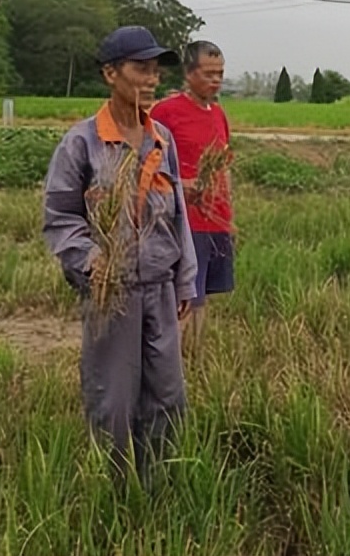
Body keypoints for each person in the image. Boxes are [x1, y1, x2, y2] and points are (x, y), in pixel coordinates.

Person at [42, 25, 197, 486]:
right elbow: (61, 218)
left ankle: (159, 488)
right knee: (114, 399)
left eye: (154, 71)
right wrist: (92, 262)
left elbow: (178, 217)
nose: (150, 80)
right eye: (140, 69)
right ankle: (113, 492)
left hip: (161, 291)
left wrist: (185, 279)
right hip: (112, 295)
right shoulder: (82, 144)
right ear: (111, 74)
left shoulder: (161, 139)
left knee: (167, 396)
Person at [150, 40, 234, 355]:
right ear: (189, 73)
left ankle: (197, 360)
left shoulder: (219, 115)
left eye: (220, 74)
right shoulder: (165, 113)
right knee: (187, 295)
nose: (216, 81)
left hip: (217, 221)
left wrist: (229, 216)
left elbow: (224, 167)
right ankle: (174, 363)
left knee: (205, 295)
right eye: (208, 73)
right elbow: (147, 165)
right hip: (185, 220)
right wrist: (182, 185)